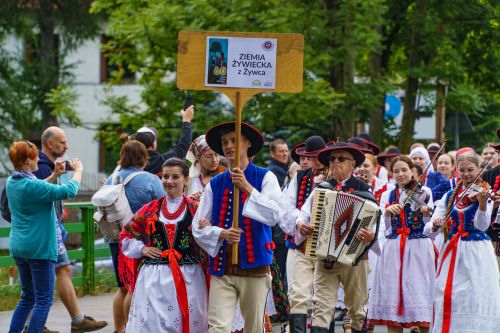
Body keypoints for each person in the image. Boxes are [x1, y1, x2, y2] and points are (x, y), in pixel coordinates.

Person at [192, 121, 283, 333]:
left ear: (247, 143)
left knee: (254, 328)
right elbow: (198, 227)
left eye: (234, 140)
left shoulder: (265, 177)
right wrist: (220, 232)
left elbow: (274, 216)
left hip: (255, 268)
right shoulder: (215, 183)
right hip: (222, 269)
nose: (228, 146)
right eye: (224, 142)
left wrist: (247, 187)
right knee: (218, 328)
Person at [296, 142, 379, 333]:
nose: (335, 162)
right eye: (332, 159)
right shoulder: (322, 189)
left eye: (341, 159)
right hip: (325, 258)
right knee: (321, 308)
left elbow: (375, 225)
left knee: (357, 310)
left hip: (355, 259)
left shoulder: (365, 190)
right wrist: (301, 225)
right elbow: (303, 214)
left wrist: (369, 235)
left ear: (352, 164)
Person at [120, 157, 208, 332]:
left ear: (186, 180)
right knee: (152, 323)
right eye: (165, 177)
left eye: (175, 177)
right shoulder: (150, 208)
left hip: (189, 276)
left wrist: (208, 228)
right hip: (154, 278)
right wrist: (142, 248)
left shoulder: (196, 208)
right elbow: (126, 235)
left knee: (190, 320)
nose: (169, 181)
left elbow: (211, 236)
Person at [34, 127, 107, 333]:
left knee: (59, 270)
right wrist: (78, 172)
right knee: (51, 274)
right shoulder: (41, 167)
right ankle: (65, 322)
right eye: (63, 142)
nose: (67, 146)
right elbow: (51, 195)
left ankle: (72, 320)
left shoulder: (48, 166)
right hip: (46, 230)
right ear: (50, 144)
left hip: (48, 228)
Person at [6, 140, 82, 333]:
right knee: (43, 300)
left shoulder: (13, 181)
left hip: (20, 247)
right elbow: (70, 191)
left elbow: (36, 187)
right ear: (27, 161)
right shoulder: (31, 186)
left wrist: (54, 175)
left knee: (27, 297)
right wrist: (78, 171)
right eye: (35, 157)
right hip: (39, 249)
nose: (39, 158)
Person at [427, 151, 500, 333]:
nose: (466, 174)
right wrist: (436, 223)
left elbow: (482, 226)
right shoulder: (449, 195)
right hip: (452, 251)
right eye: (462, 170)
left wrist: (483, 204)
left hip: (477, 252)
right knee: (448, 295)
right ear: (456, 170)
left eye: (470, 170)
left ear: (479, 170)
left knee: (474, 295)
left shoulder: (485, 192)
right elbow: (428, 229)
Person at [103, 140, 165, 333]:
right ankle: (132, 328)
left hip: (114, 238)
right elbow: (163, 205)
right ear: (144, 157)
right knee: (135, 287)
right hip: (139, 240)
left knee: (122, 287)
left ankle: (118, 329)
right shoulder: (150, 180)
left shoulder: (110, 179)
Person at [368, 156, 435, 333]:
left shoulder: (425, 191)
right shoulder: (388, 194)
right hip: (394, 248)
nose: (400, 174)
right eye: (396, 171)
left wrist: (426, 212)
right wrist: (388, 213)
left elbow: (429, 226)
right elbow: (386, 229)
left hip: (418, 247)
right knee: (393, 296)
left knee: (419, 292)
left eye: (404, 170)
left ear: (413, 170)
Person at [284, 136, 328, 333]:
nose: (315, 161)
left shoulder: (335, 176)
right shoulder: (300, 177)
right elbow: (285, 207)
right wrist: (299, 223)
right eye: (311, 157)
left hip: (327, 246)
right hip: (301, 245)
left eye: (318, 156)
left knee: (323, 298)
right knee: (298, 294)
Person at [134, 104, 194, 176]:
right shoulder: (164, 160)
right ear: (153, 144)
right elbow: (184, 145)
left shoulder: (129, 165)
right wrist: (186, 120)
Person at [185, 134, 225, 199]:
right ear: (198, 159)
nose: (214, 160)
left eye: (216, 155)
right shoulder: (190, 179)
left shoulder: (224, 175)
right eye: (208, 157)